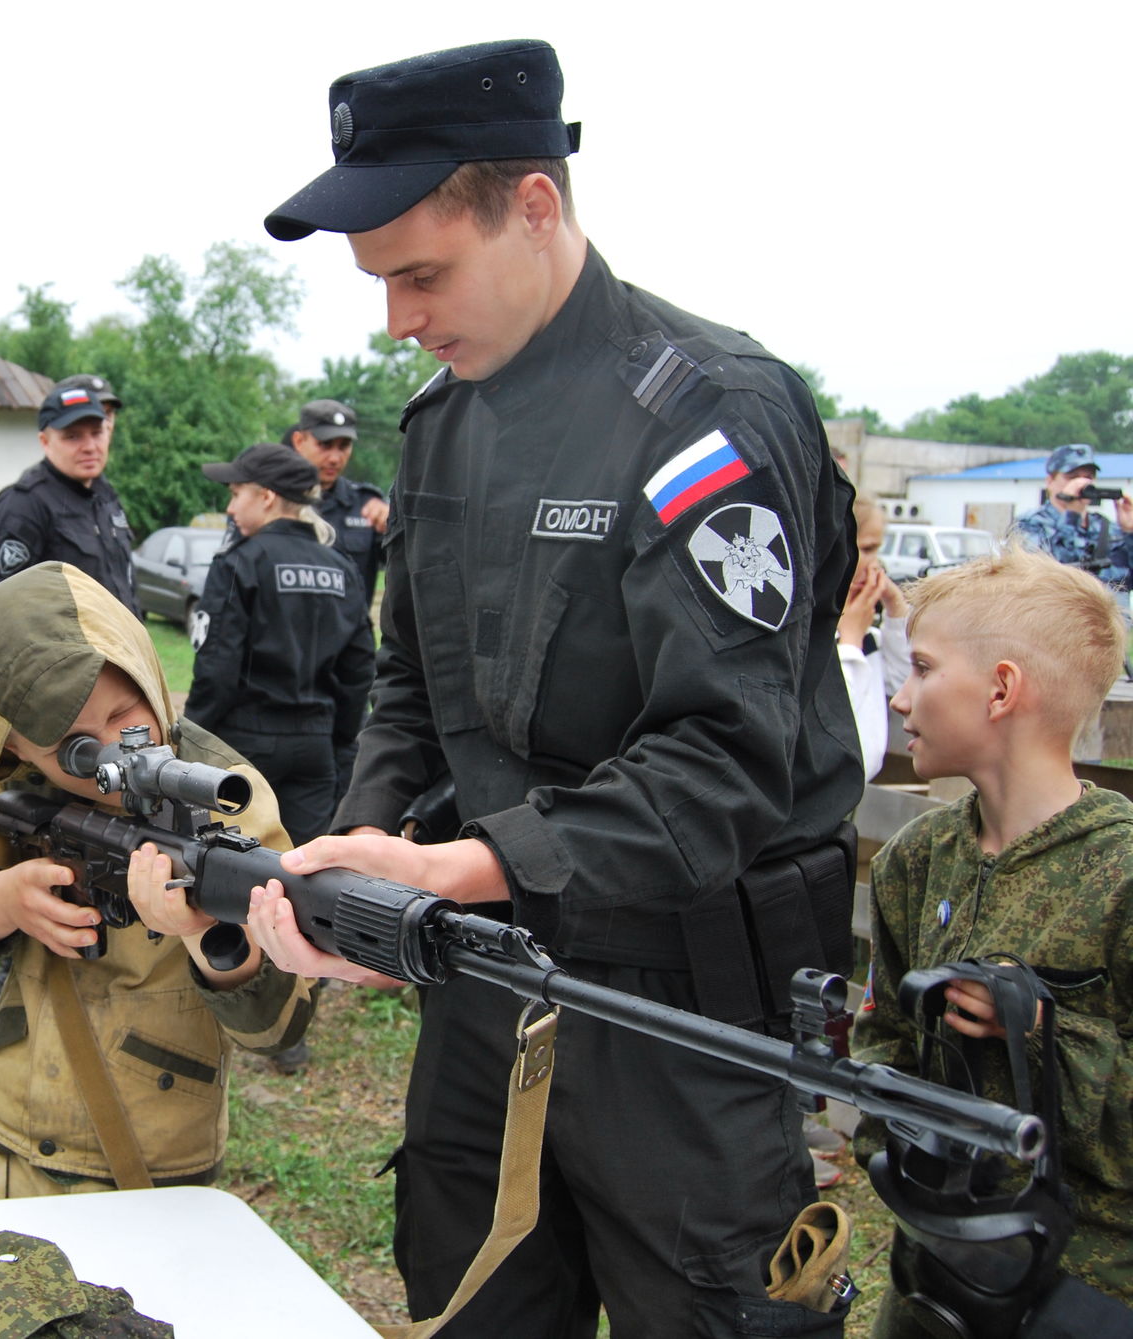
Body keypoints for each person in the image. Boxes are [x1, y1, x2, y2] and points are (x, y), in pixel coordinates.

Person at [252, 39, 863, 1337]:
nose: (398, 319)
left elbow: (725, 760)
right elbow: (412, 686)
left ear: (533, 207)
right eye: (379, 283)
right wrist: (358, 868)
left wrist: (459, 867)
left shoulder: (704, 420)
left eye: (421, 273)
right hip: (485, 979)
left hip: (673, 1011)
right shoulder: (443, 427)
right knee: (472, 1300)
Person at [0, 561, 314, 1198]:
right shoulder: (1, 788)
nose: (117, 752)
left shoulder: (227, 799)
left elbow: (275, 1028)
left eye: (128, 716)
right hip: (5, 1141)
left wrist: (206, 937)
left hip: (153, 1160)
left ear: (151, 681)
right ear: (15, 750)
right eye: (75, 749)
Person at [855, 546, 1133, 1329]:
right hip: (934, 1275)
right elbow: (883, 1040)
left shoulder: (1120, 872)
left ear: (1002, 689)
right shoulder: (917, 859)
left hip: (1087, 1292)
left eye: (924, 668)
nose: (901, 696)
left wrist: (1042, 1029)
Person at [182, 443, 374, 845]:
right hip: (316, 749)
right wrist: (339, 744)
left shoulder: (240, 560)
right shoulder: (341, 568)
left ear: (266, 496)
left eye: (236, 494)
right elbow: (358, 671)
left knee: (233, 866)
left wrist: (191, 740)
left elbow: (217, 668)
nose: (230, 508)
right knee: (304, 867)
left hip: (245, 746)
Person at [0, 381, 140, 614]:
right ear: (45, 442)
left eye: (97, 433)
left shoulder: (106, 495)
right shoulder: (25, 504)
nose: (90, 446)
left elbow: (126, 585)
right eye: (73, 436)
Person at [838, 495, 911, 780]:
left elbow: (902, 681)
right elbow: (833, 716)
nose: (875, 564)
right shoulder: (811, 632)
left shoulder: (867, 633)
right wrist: (850, 643)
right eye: (867, 549)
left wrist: (896, 609)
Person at [287, 399, 388, 599]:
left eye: (344, 446)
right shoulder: (274, 501)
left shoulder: (367, 505)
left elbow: (406, 566)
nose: (335, 458)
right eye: (324, 445)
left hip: (350, 619)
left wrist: (395, 526)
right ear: (299, 441)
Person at [1012, 443, 1133, 586]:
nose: (1081, 483)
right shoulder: (1029, 524)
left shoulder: (1105, 526)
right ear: (1050, 482)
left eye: (1088, 477)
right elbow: (1042, 577)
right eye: (1072, 477)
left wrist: (1129, 531)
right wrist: (1072, 517)